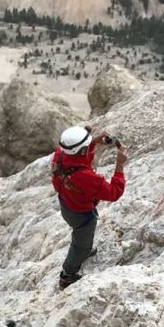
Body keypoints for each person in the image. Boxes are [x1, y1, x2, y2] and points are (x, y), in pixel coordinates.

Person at [51, 124, 127, 291]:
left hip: (67, 204)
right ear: (82, 150)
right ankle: (67, 275)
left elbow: (78, 156)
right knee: (81, 244)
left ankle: (84, 248)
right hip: (82, 214)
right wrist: (120, 165)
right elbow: (114, 193)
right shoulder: (86, 177)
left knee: (81, 235)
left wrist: (93, 142)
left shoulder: (61, 154)